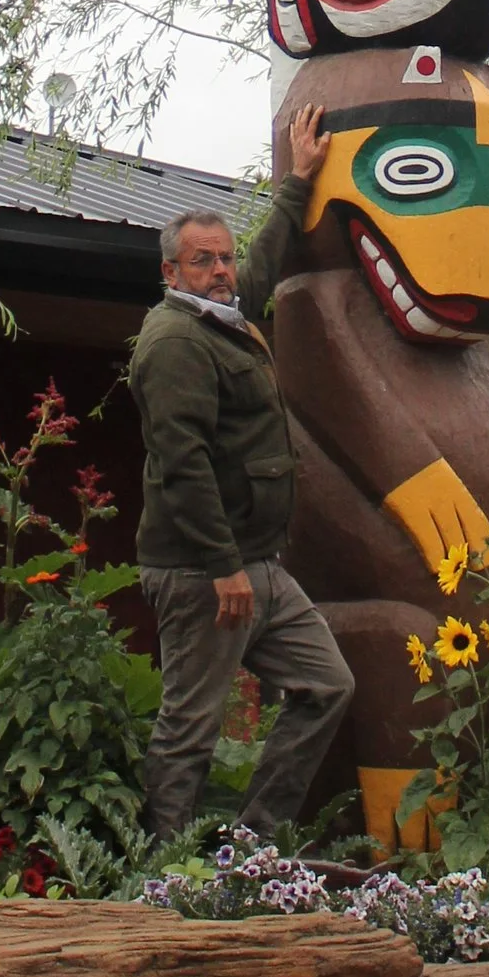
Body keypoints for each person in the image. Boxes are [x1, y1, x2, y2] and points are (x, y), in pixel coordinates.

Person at [129, 107, 354, 844]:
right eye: (203, 261)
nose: (222, 270)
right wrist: (223, 566)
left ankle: (251, 846)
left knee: (325, 685)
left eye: (224, 258)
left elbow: (261, 267)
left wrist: (300, 178)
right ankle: (159, 871)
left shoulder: (222, 315)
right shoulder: (175, 341)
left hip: (258, 564)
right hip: (203, 570)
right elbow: (182, 464)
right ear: (171, 273)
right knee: (191, 726)